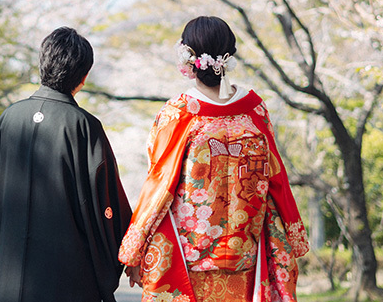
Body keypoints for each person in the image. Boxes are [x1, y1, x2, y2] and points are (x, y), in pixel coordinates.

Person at [119, 16, 309, 302]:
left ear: (187, 56)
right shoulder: (255, 111)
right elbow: (276, 177)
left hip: (188, 256)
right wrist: (292, 235)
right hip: (246, 253)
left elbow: (158, 184)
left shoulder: (179, 113)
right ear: (229, 55)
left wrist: (135, 249)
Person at [0, 26, 132, 302]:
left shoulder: (9, 119)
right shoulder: (84, 126)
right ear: (83, 76)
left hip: (10, 284)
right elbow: (107, 210)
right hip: (71, 286)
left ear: (42, 63)